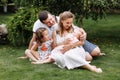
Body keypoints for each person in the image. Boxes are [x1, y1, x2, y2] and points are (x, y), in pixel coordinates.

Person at [32, 11, 102, 73]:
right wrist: (63, 43)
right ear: (61, 21)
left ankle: (89, 67)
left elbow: (81, 42)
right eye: (67, 23)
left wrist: (70, 46)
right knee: (60, 57)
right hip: (62, 51)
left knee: (68, 55)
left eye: (71, 22)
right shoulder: (55, 31)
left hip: (76, 49)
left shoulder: (73, 29)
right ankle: (80, 62)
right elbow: (54, 47)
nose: (69, 25)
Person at [18, 10, 104, 59]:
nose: (51, 22)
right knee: (89, 56)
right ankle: (82, 54)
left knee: (96, 52)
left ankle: (88, 52)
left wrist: (84, 33)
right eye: (48, 22)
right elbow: (34, 39)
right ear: (43, 23)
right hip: (64, 44)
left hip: (75, 39)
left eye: (51, 19)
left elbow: (74, 28)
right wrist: (27, 54)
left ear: (51, 15)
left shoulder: (60, 19)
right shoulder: (38, 24)